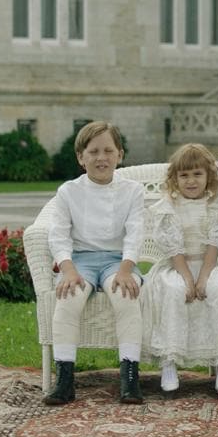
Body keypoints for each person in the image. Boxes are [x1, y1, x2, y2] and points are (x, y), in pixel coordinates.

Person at [45, 121, 145, 406]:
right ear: (81, 157)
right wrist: (67, 269)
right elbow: (59, 234)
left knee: (126, 296)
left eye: (108, 151)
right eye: (93, 151)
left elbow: (136, 232)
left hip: (118, 261)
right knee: (68, 298)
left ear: (120, 155)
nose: (101, 157)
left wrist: (126, 269)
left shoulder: (132, 190)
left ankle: (129, 377)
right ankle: (64, 379)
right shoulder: (68, 191)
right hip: (81, 261)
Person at [141, 143, 218, 395]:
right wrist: (187, 278)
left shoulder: (215, 204)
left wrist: (204, 276)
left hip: (209, 262)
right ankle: (169, 361)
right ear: (175, 179)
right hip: (178, 265)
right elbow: (173, 248)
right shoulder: (169, 206)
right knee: (174, 291)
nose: (191, 181)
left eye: (197, 174)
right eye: (184, 175)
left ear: (209, 176)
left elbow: (216, 242)